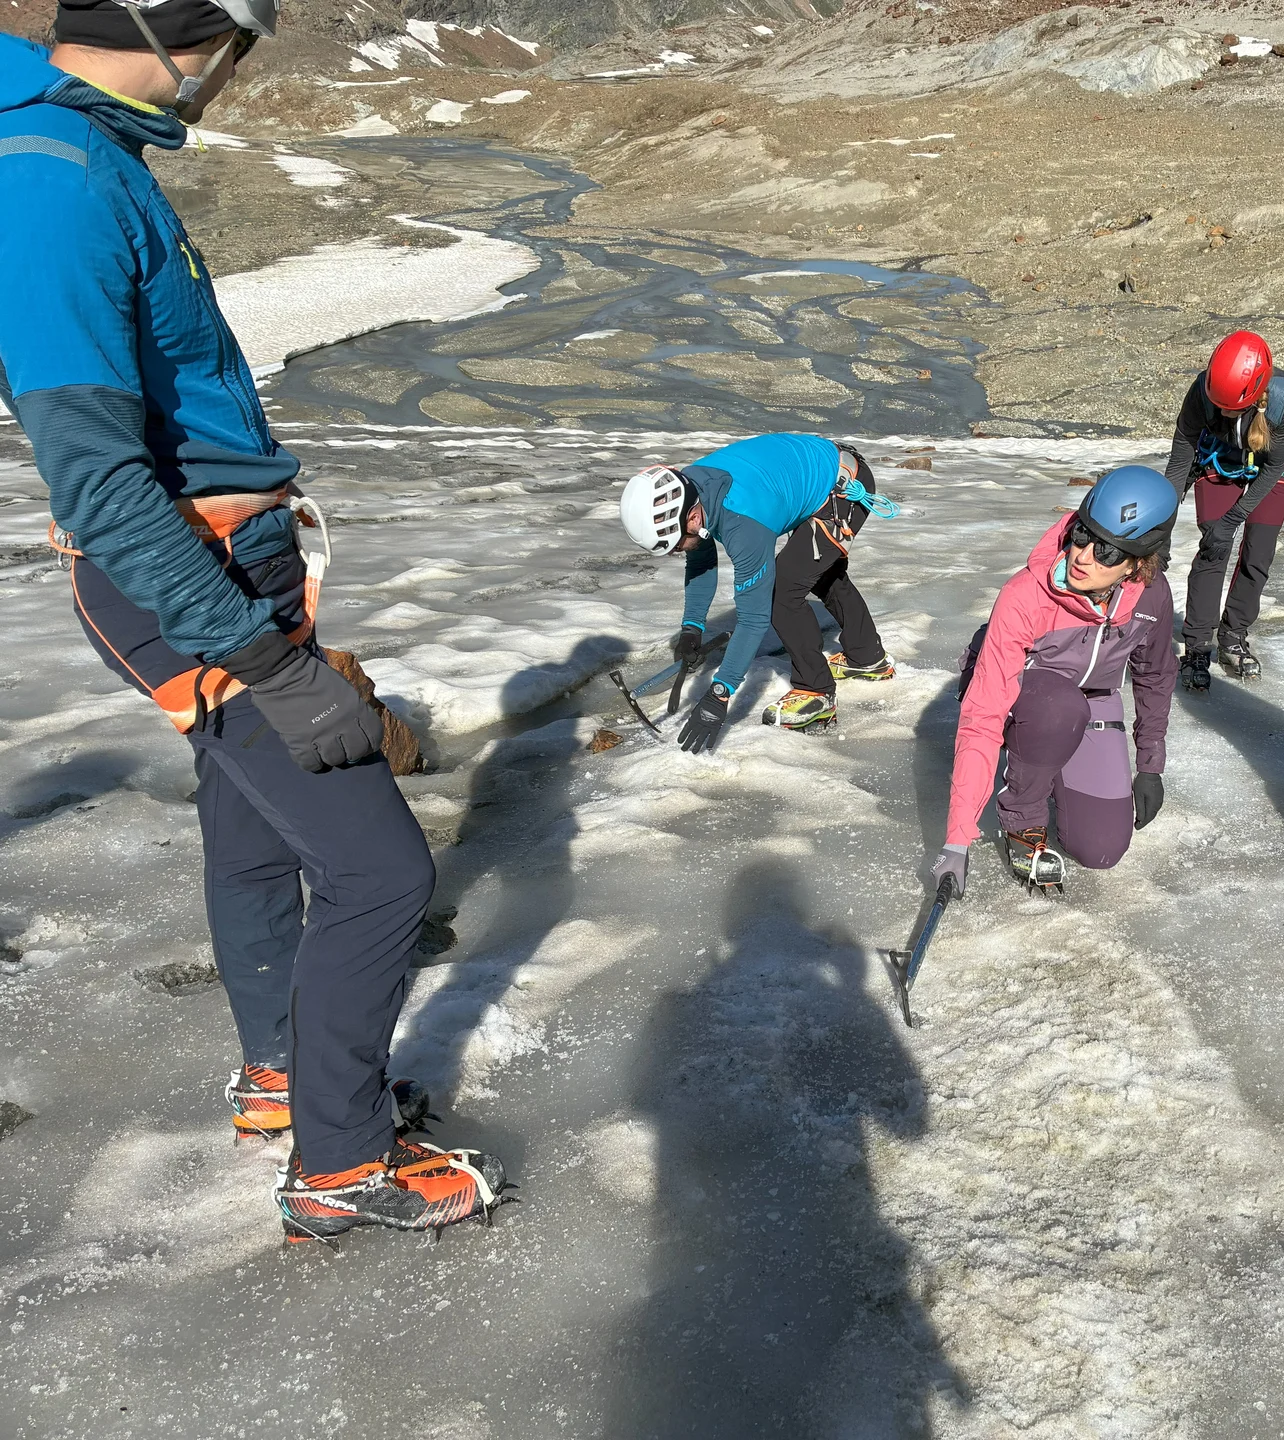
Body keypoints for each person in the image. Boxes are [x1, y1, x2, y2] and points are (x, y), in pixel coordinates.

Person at [0, 0, 502, 1241]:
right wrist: (271, 665)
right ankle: (343, 1162)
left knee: (255, 834)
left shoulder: (79, 150)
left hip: (220, 567)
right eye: (240, 47)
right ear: (188, 34)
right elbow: (99, 482)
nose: (233, 75)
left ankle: (286, 1075)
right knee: (382, 874)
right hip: (196, 586)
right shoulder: (55, 180)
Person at [931, 465, 1178, 894]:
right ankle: (1021, 817)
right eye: (1082, 534)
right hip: (1031, 691)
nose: (1082, 556)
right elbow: (984, 715)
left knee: (1101, 849)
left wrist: (1150, 765)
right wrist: (957, 838)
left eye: (1107, 552)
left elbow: (1155, 675)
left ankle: (1050, 765)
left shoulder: (1152, 596)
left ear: (1137, 564)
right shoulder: (1025, 595)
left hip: (1092, 697)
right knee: (1057, 708)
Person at [621, 434, 897, 749]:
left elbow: (754, 619)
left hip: (843, 487)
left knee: (782, 590)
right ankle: (867, 657)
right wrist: (692, 627)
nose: (676, 553)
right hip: (821, 471)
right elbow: (701, 561)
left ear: (693, 518)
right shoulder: (693, 489)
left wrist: (719, 693)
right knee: (815, 569)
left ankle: (816, 694)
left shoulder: (743, 523)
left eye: (676, 546)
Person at [1163, 330, 1284, 691]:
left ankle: (1234, 636)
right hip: (1219, 456)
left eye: (1233, 408)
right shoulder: (1201, 391)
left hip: (1273, 466)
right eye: (1219, 405)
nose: (1224, 412)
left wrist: (1233, 519)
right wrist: (1160, 526)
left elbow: (1273, 467)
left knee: (1258, 553)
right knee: (1214, 545)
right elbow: (1180, 460)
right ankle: (1197, 645)